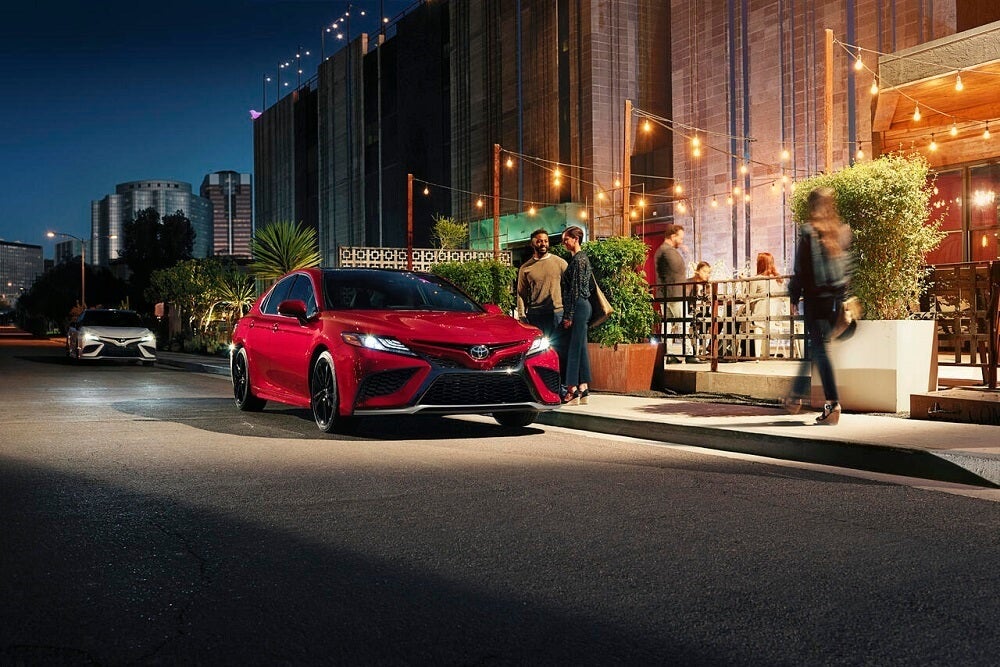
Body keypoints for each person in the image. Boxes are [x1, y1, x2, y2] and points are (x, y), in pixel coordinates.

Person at [787, 187, 854, 425]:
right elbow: (847, 269)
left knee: (819, 350)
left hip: (815, 300)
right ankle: (795, 396)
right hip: (834, 301)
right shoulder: (839, 231)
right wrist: (844, 298)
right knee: (816, 348)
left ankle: (832, 403)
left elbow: (801, 269)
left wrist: (793, 296)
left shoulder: (809, 232)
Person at [559, 225, 592, 406]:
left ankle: (572, 390)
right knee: (580, 348)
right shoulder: (580, 259)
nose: (564, 243)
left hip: (577, 307)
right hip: (581, 306)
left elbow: (575, 290)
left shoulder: (578, 260)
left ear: (576, 239)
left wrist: (568, 315)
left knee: (572, 348)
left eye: (566, 239)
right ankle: (583, 388)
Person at [516, 228, 568, 342]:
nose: (543, 244)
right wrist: (521, 315)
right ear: (532, 244)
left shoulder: (560, 263)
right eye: (539, 241)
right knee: (537, 348)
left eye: (545, 241)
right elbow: (521, 294)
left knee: (558, 348)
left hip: (557, 313)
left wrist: (569, 313)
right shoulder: (525, 268)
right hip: (535, 315)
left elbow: (570, 288)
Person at [654, 224, 687, 356]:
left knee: (667, 325)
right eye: (680, 238)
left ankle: (668, 353)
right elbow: (677, 271)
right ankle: (688, 352)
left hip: (667, 293)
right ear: (673, 236)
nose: (681, 241)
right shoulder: (668, 251)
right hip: (675, 293)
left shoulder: (662, 250)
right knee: (683, 323)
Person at [746, 252, 787, 358]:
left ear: (760, 264)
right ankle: (764, 354)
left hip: (760, 318)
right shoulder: (778, 279)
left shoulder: (756, 279)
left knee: (741, 319)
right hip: (776, 318)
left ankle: (751, 353)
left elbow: (748, 298)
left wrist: (744, 282)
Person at [686, 261, 712, 358]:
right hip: (691, 312)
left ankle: (707, 347)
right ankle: (701, 348)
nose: (707, 274)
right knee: (703, 317)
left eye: (708, 272)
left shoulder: (707, 285)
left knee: (716, 319)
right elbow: (687, 299)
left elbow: (708, 302)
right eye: (704, 271)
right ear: (698, 271)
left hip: (702, 312)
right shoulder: (689, 283)